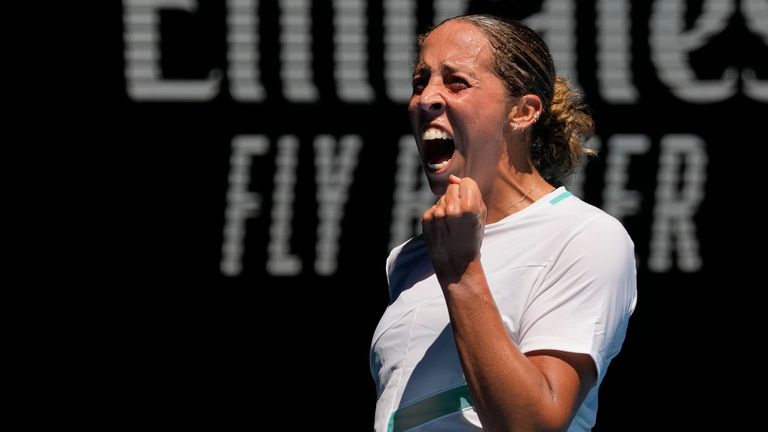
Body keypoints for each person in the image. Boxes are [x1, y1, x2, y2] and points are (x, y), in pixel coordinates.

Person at [369, 14, 637, 432]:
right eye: (421, 81)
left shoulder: (585, 236)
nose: (424, 99)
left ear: (523, 112)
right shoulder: (409, 258)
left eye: (455, 81)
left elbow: (534, 423)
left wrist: (460, 270)